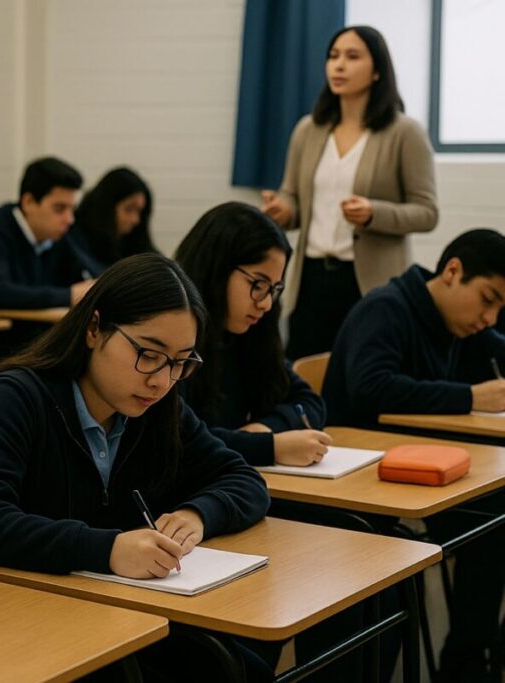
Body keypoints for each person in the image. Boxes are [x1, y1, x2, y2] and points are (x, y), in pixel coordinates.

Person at [0, 253, 273, 681]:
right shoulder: (16, 396)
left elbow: (243, 479)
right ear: (94, 328)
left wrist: (198, 513)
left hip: (93, 608)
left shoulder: (157, 409)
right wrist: (107, 550)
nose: (161, 380)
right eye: (149, 354)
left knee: (241, 668)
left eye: (180, 362)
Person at [324, 229, 505, 682]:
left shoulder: (459, 323)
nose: (489, 318)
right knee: (491, 526)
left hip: (419, 475)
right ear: (453, 271)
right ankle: (465, 662)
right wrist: (470, 397)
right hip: (360, 483)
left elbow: (497, 348)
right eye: (488, 300)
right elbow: (371, 389)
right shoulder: (386, 309)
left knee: (496, 521)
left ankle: (468, 659)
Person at [261, 25, 437, 360]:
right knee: (303, 370)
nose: (338, 65)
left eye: (352, 56)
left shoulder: (405, 132)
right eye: (333, 56)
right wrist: (284, 210)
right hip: (311, 277)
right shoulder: (308, 129)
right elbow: (292, 196)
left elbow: (427, 212)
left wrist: (374, 213)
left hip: (370, 282)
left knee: (363, 372)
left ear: (377, 71)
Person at [175, 202, 329, 467]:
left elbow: (309, 402)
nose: (266, 303)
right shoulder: (173, 340)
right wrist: (268, 447)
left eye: (274, 289)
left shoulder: (250, 332)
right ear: (217, 269)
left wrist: (265, 428)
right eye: (258, 284)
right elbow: (178, 439)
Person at [0, 156, 97, 317]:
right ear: (29, 202)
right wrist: (68, 295)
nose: (69, 219)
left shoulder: (56, 237)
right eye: (59, 209)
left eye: (72, 209)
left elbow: (89, 272)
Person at [71, 166, 156, 273]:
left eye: (140, 212)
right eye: (129, 209)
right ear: (107, 207)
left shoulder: (135, 242)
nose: (136, 220)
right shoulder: (74, 239)